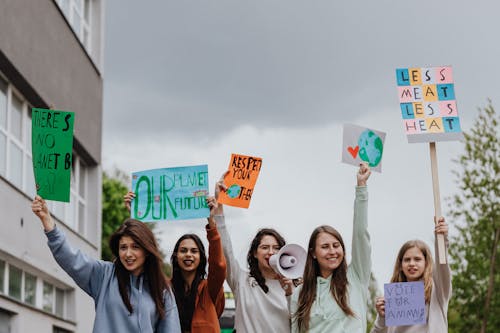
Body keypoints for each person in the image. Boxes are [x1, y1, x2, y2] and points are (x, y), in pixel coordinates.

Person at [31, 195, 181, 333]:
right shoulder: (104, 276)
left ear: (147, 250)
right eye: (123, 247)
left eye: (135, 247)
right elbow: (70, 258)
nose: (128, 254)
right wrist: (47, 221)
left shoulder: (162, 290)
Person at [124, 192, 227, 333]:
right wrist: (135, 218)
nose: (188, 254)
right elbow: (146, 261)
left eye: (194, 251)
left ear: (202, 257)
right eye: (183, 250)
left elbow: (219, 265)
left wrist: (211, 223)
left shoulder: (209, 289)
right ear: (176, 256)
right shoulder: (164, 288)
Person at [290, 163, 372, 333]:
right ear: (313, 253)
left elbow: (360, 234)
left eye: (336, 245)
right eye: (325, 247)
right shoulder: (300, 293)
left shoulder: (355, 277)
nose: (333, 251)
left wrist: (361, 188)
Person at [214, 172, 295, 333]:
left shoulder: (294, 286)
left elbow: (301, 324)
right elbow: (226, 252)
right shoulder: (241, 280)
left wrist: (290, 294)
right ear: (254, 253)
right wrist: (219, 209)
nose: (270, 252)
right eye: (264, 247)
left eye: (276, 248)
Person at [370, 217, 451, 333]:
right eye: (407, 260)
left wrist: (442, 239)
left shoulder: (438, 290)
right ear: (401, 265)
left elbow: (442, 266)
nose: (412, 264)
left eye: (417, 259)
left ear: (426, 263)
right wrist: (382, 317)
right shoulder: (394, 297)